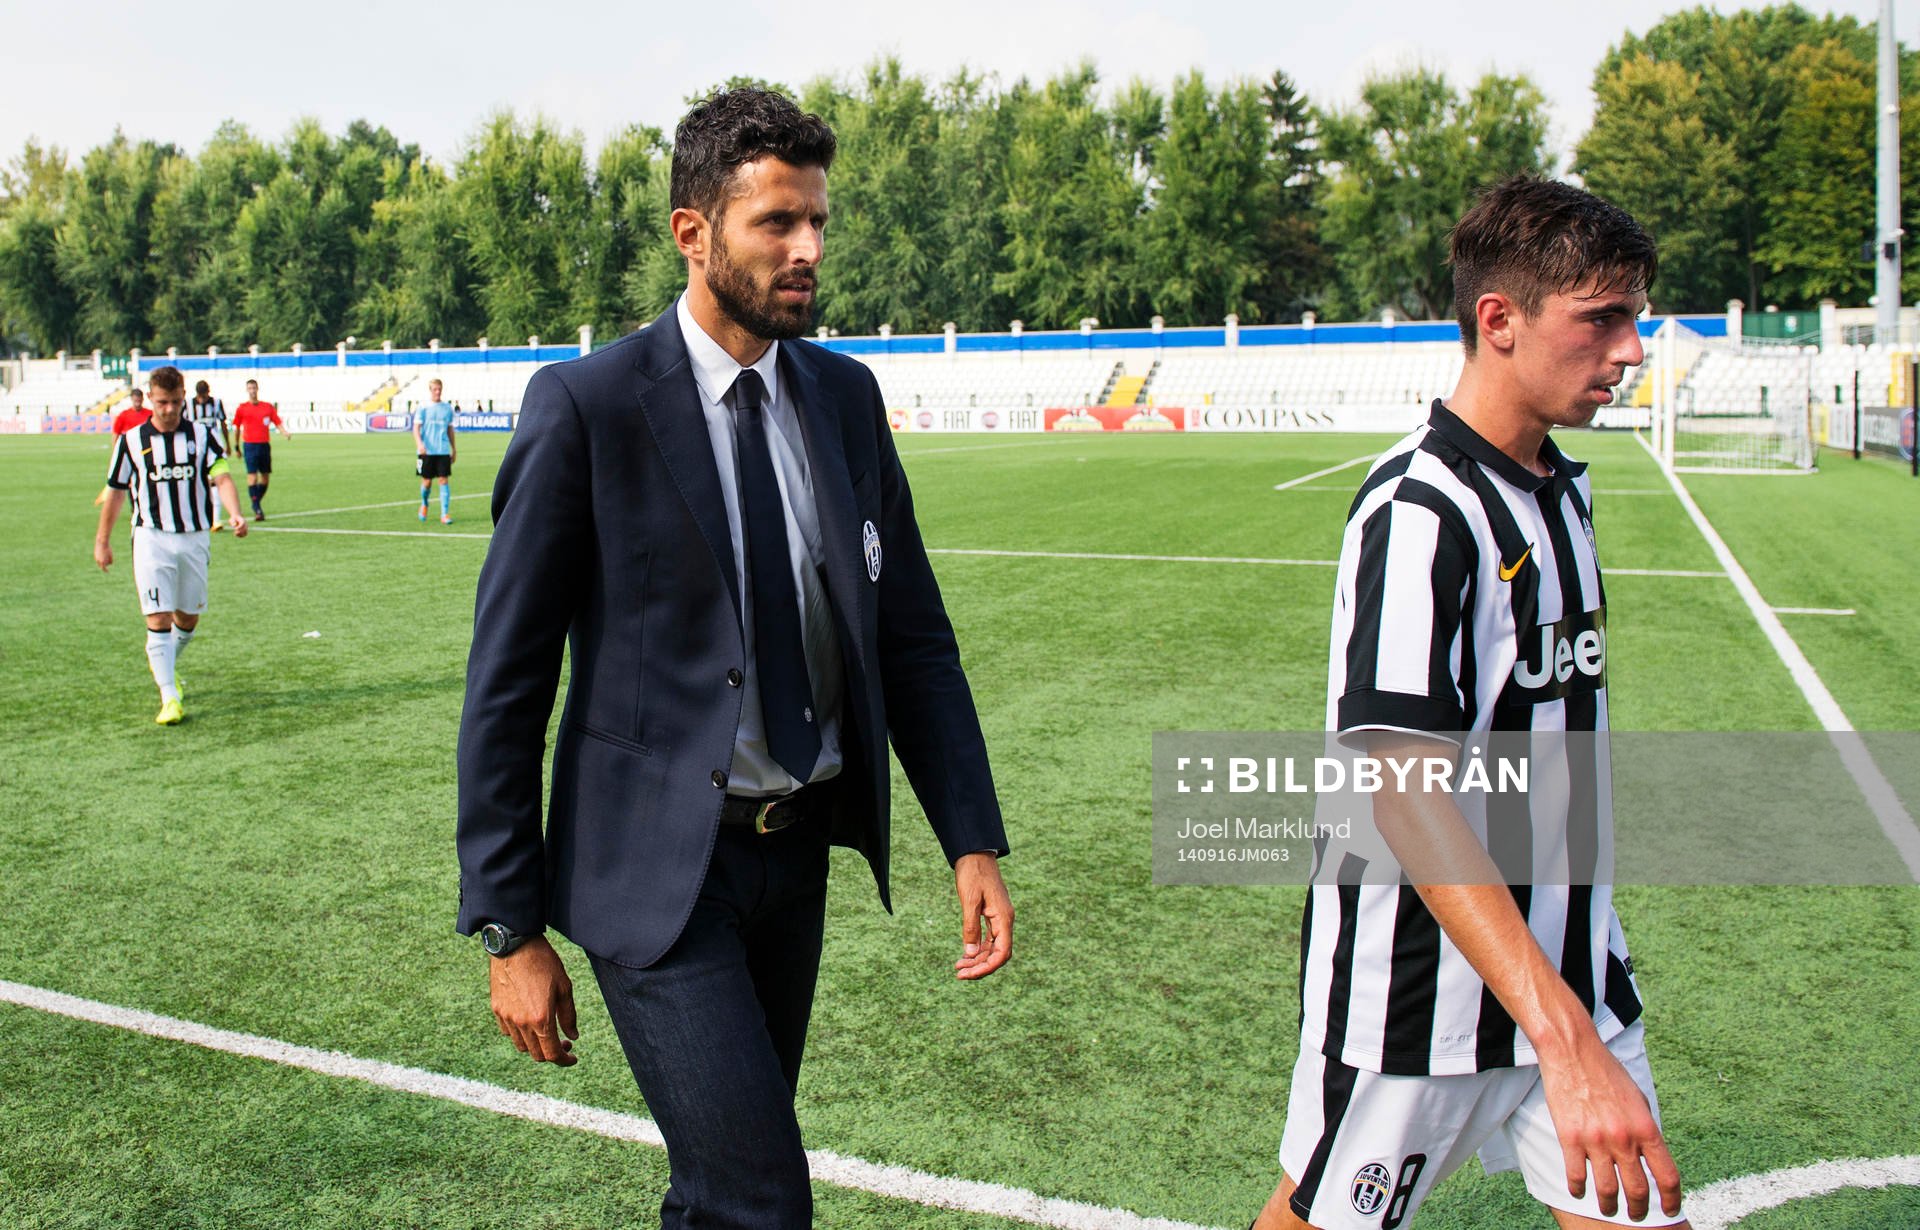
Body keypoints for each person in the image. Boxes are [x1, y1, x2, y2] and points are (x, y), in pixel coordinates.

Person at [456, 87, 1013, 1229]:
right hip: (653, 873)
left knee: (722, 1195)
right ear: (694, 232)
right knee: (759, 1197)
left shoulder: (846, 399)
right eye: (777, 223)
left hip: (794, 859)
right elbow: (507, 684)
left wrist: (970, 835)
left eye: (817, 221)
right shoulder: (588, 407)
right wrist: (510, 927)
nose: (808, 249)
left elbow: (912, 636)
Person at [1255, 177, 1689, 1230]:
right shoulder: (1419, 511)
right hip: (1421, 1007)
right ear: (1500, 320)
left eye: (1633, 318)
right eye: (1602, 319)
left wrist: (1576, 1013)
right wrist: (1563, 1039)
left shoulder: (1563, 492)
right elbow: (1406, 799)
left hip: (1572, 978)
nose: (1631, 350)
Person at [93, 365, 248, 725]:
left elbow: (222, 476)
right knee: (158, 616)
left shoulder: (202, 435)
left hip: (194, 536)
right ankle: (169, 696)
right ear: (150, 398)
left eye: (176, 402)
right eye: (162, 402)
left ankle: (165, 664)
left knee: (187, 617)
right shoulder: (131, 441)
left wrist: (235, 513)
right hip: (151, 537)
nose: (169, 409)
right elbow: (115, 493)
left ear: (184, 398)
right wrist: (102, 541)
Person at [232, 378, 291, 520]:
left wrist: (284, 432)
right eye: (250, 388)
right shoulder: (242, 408)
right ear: (247, 390)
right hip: (250, 445)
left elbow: (277, 421)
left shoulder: (267, 407)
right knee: (252, 476)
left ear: (257, 389)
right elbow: (237, 427)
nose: (252, 391)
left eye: (254, 388)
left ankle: (255, 502)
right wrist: (236, 446)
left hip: (264, 445)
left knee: (265, 478)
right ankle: (257, 508)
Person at [413, 378, 457, 523]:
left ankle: (445, 514)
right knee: (427, 482)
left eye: (439, 389)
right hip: (426, 451)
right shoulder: (423, 407)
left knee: (443, 480)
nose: (437, 392)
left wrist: (454, 449)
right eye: (435, 389)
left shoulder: (447, 408)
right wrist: (419, 444)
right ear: (430, 390)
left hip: (443, 450)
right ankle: (424, 503)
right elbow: (416, 428)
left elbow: (450, 429)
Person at [187, 379, 232, 455]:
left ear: (208, 392)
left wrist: (227, 443)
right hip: (196, 441)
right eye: (200, 396)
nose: (202, 400)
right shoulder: (188, 404)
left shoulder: (216, 402)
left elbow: (223, 423)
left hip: (214, 440)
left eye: (204, 397)